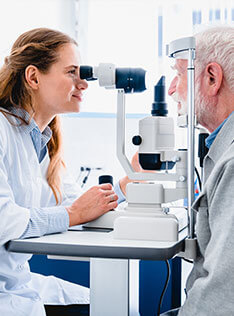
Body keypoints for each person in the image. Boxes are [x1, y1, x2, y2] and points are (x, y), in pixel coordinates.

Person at [0, 27, 133, 316]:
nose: (83, 83)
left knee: (122, 307)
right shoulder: (1, 130)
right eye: (72, 71)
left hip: (16, 283)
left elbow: (76, 204)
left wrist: (129, 181)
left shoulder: (43, 142)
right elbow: (3, 219)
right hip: (5, 291)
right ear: (34, 77)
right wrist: (73, 215)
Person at [161, 26, 234, 315]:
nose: (170, 89)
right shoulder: (221, 148)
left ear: (212, 78)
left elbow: (224, 292)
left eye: (179, 74)